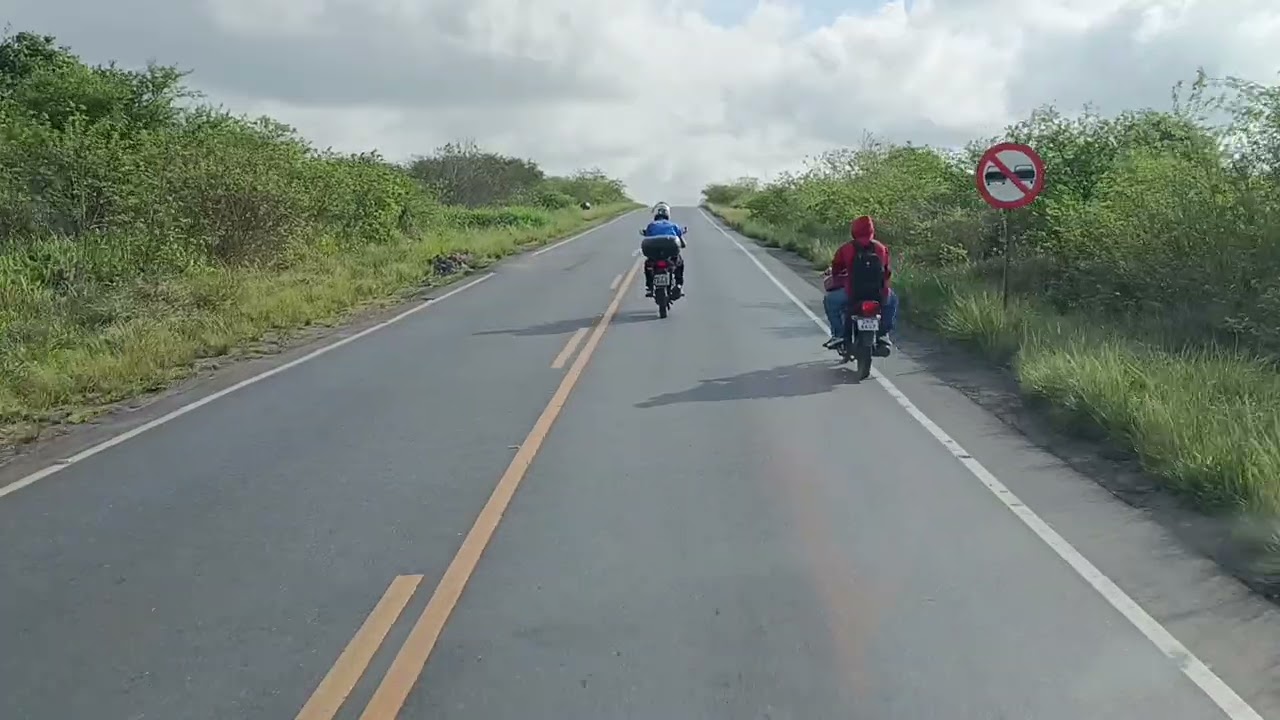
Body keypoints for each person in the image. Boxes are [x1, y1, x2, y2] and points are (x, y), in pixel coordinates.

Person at [822, 215, 898, 353]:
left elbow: (837, 270)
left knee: (830, 301)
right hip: (878, 294)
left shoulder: (846, 248)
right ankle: (883, 334)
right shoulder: (881, 248)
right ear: (871, 230)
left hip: (852, 293)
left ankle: (838, 334)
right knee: (892, 302)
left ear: (854, 230)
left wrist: (838, 276)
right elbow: (886, 271)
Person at [640, 204, 686, 297]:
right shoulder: (673, 225)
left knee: (648, 265)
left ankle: (649, 287)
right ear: (668, 215)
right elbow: (683, 243)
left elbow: (648, 236)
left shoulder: (651, 225)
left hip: (655, 253)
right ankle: (678, 284)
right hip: (670, 251)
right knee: (679, 264)